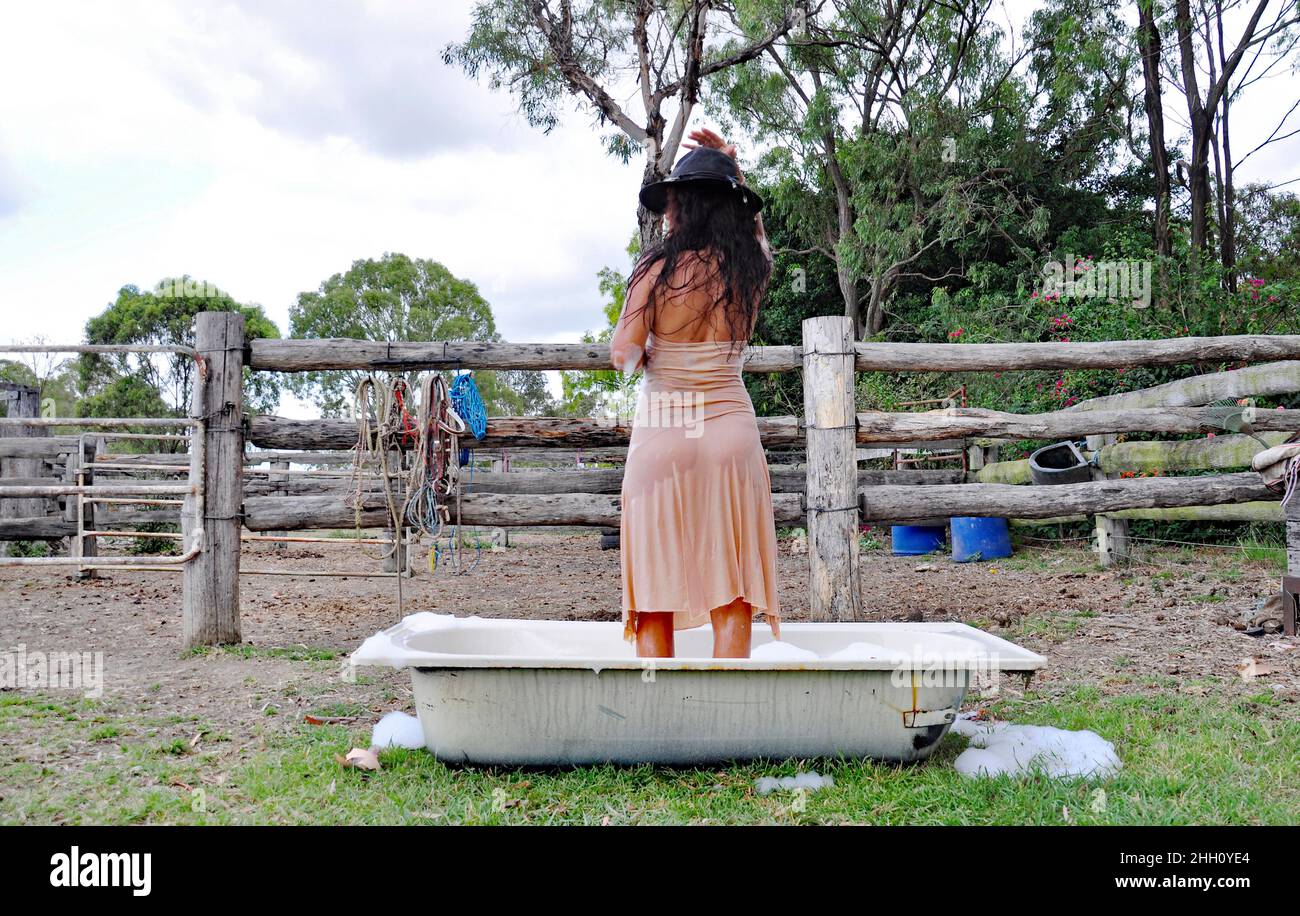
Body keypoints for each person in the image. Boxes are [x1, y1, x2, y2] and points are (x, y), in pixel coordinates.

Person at [611, 127, 780, 659]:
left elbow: (624, 353)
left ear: (680, 207)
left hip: (667, 419)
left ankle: (656, 699)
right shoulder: (750, 268)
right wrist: (732, 171)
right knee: (733, 585)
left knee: (654, 582)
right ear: (729, 207)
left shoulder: (656, 267)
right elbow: (757, 231)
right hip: (731, 422)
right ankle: (726, 703)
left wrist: (648, 352)